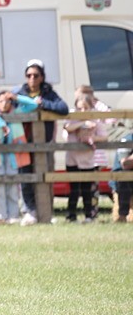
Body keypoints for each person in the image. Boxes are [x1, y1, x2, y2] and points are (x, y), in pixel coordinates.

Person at [15, 59, 69, 224]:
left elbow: (63, 109)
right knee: (26, 178)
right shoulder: (20, 94)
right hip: (24, 142)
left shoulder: (48, 93)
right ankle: (30, 211)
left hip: (45, 143)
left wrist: (43, 103)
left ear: (42, 77)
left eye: (36, 75)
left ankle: (46, 212)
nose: (32, 79)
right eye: (29, 75)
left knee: (46, 177)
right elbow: (10, 110)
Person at [0, 90, 37, 224]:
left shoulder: (16, 114)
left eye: (7, 101)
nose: (4, 104)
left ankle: (13, 216)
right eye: (1, 101)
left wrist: (16, 97)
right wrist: (2, 124)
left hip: (13, 155)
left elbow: (33, 105)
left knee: (12, 186)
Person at [62, 87, 105, 222]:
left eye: (85, 108)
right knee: (74, 190)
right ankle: (71, 215)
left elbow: (104, 136)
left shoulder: (96, 119)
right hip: (72, 159)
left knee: (87, 189)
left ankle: (89, 215)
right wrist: (82, 123)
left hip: (87, 160)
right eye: (80, 108)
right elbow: (67, 128)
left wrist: (93, 139)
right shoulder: (72, 117)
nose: (82, 111)